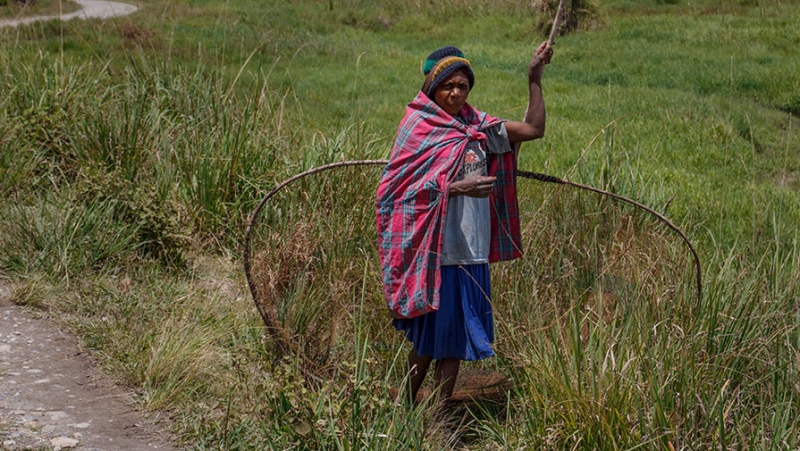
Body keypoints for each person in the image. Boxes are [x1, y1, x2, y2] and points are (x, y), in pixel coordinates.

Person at [376, 41, 553, 411]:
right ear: (432, 88)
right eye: (448, 86)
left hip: (472, 253)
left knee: (452, 343)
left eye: (462, 86)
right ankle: (406, 414)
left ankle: (436, 418)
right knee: (428, 343)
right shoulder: (419, 127)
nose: (455, 93)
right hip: (438, 254)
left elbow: (533, 128)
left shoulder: (478, 127)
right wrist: (459, 188)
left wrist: (534, 77)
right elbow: (396, 195)